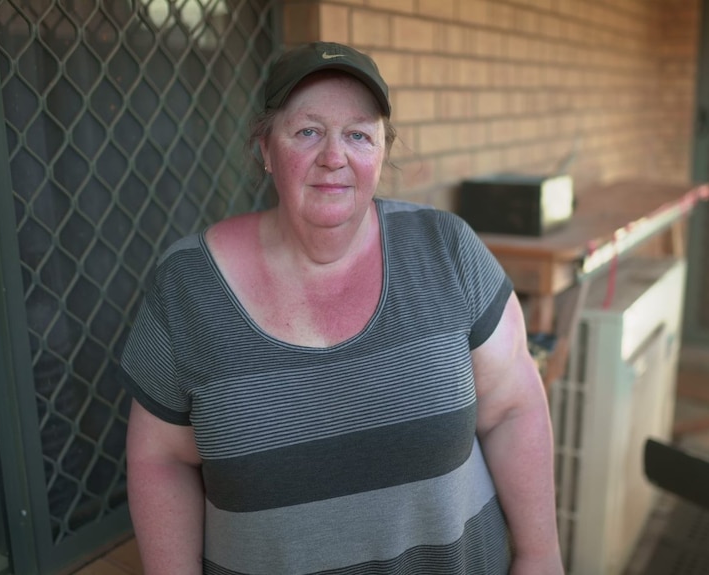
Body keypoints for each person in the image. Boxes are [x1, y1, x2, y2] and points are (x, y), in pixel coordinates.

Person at [121, 41, 564, 575]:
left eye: (358, 134)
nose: (335, 157)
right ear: (265, 148)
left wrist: (541, 555)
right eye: (308, 131)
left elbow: (515, 406)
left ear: (382, 151)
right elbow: (161, 458)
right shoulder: (187, 285)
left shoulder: (447, 249)